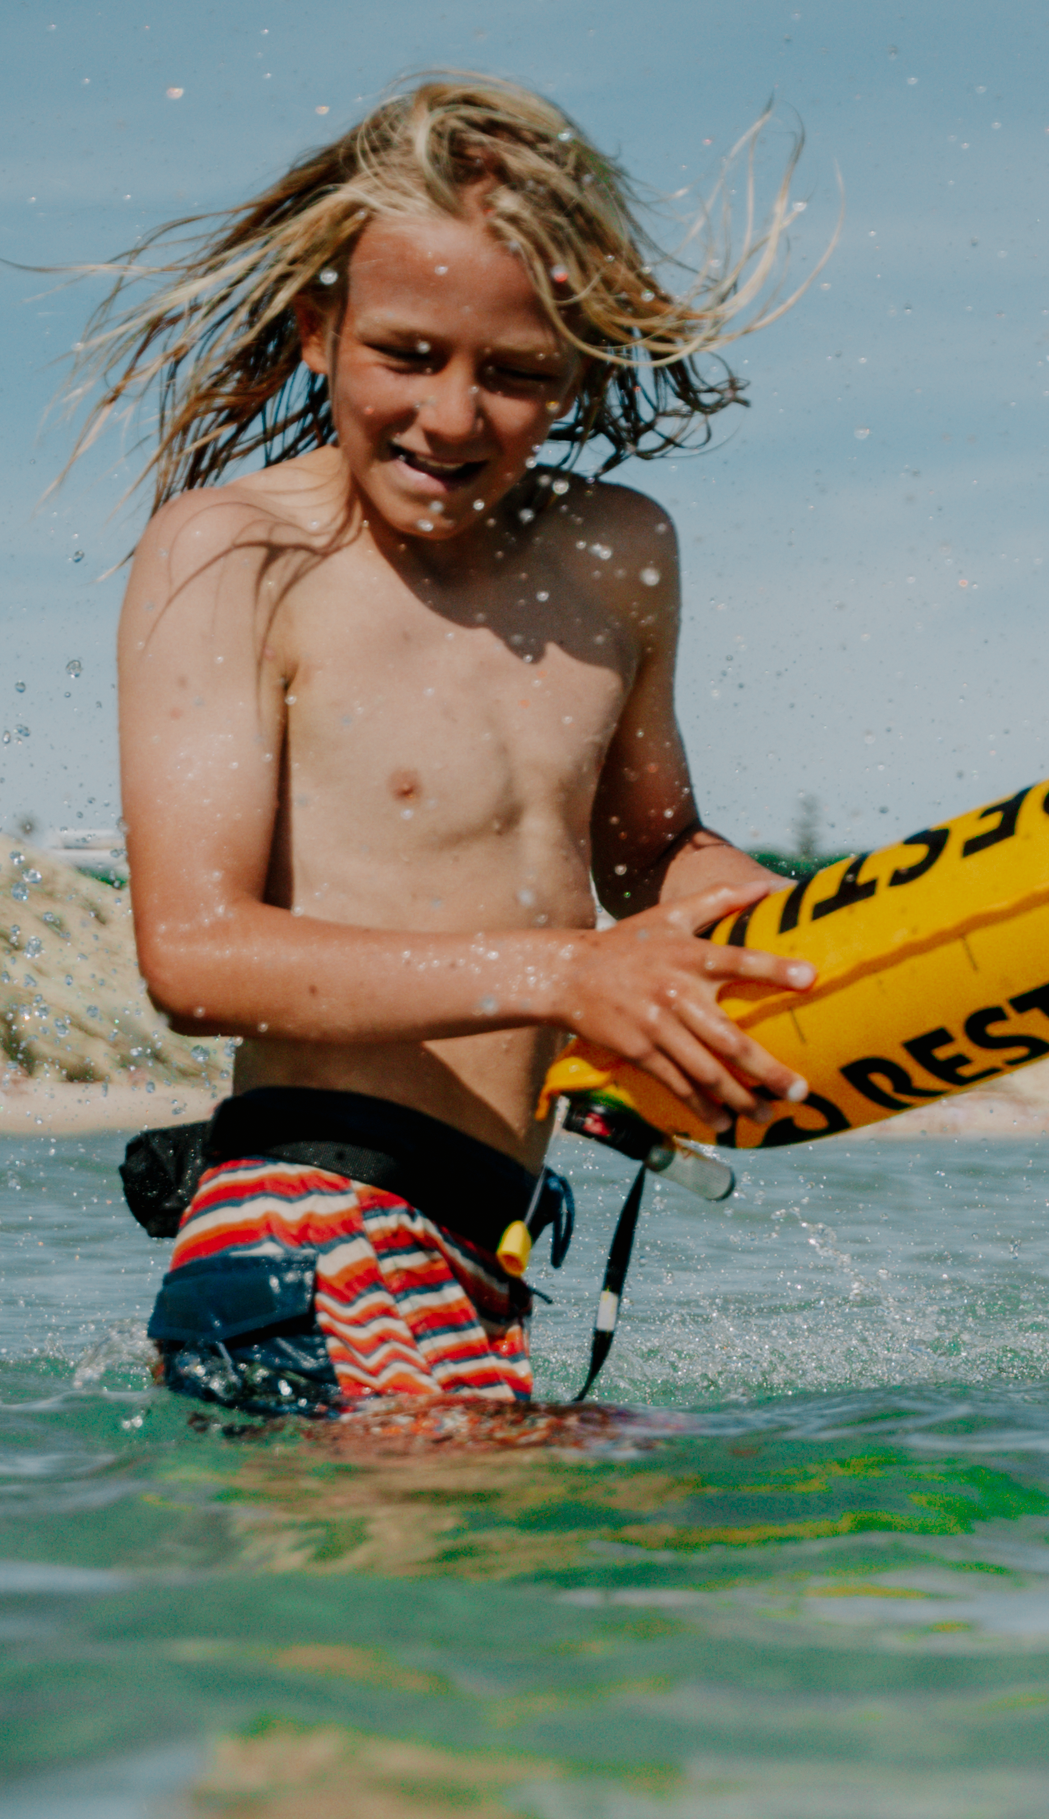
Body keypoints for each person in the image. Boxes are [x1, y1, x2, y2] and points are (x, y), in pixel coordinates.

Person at [69, 73, 814, 1415]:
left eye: (517, 374)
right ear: (318, 328)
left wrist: (771, 925)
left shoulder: (620, 554)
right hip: (305, 1225)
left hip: (486, 1250)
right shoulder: (237, 555)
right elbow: (195, 952)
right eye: (407, 354)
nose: (454, 420)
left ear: (577, 364)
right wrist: (568, 976)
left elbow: (652, 850)